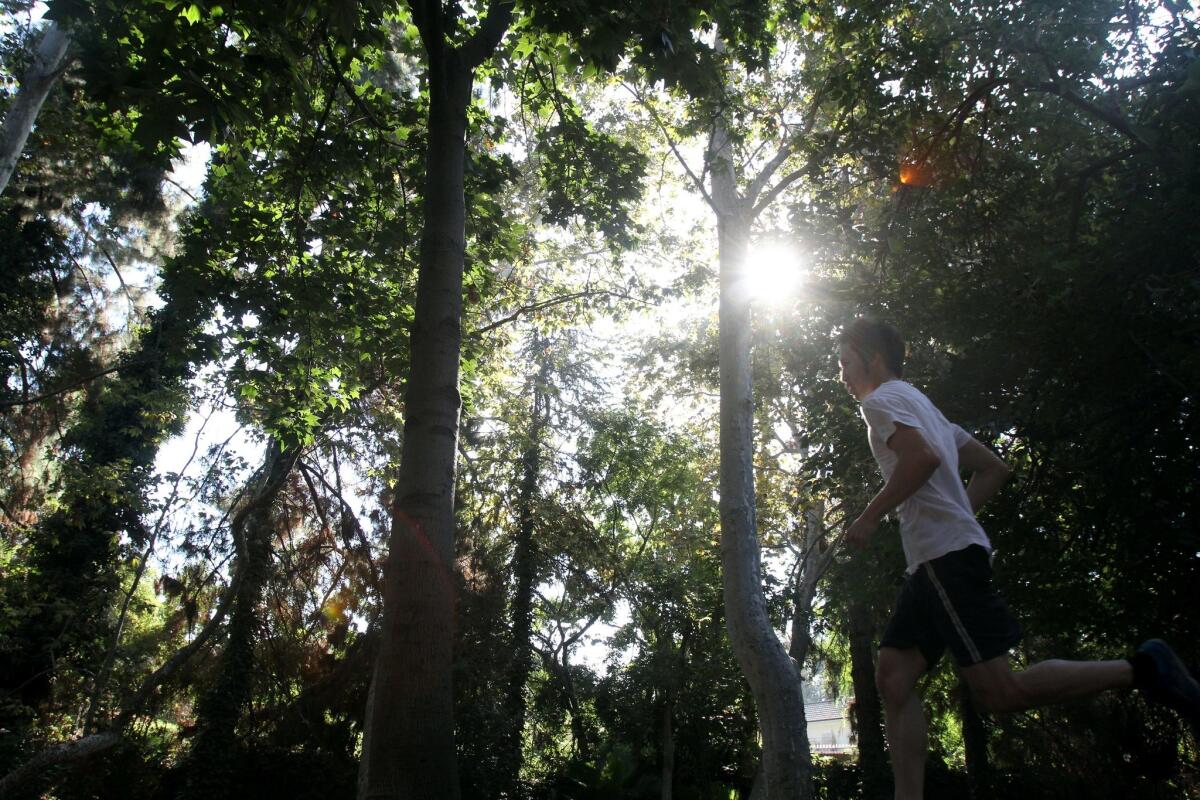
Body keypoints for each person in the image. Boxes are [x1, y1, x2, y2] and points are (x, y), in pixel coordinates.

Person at [837, 317, 1200, 800]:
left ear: (872, 357)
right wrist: (956, 514)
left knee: (1001, 692)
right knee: (894, 677)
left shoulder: (881, 402)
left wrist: (868, 517)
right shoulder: (922, 404)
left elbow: (921, 460)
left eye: (845, 362)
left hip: (944, 560)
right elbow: (993, 468)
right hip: (934, 561)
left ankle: (1144, 668)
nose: (841, 375)